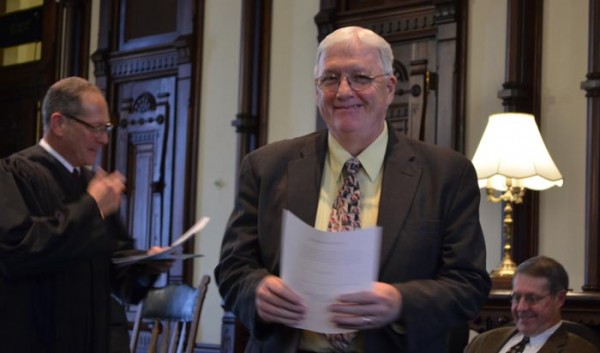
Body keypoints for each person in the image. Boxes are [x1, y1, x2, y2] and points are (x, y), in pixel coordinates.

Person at [214, 26, 491, 353]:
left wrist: (401, 302)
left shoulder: (446, 174)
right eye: (330, 79)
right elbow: (233, 269)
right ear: (317, 90)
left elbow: (469, 285)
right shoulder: (266, 167)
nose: (344, 91)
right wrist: (256, 291)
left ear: (389, 88)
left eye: (360, 77)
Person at [0, 76, 169, 353]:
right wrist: (92, 207)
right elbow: (19, 250)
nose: (103, 139)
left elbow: (116, 277)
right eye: (95, 128)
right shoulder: (15, 173)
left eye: (106, 129)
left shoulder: (92, 184)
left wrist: (145, 267)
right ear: (59, 123)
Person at [465, 256, 599, 353]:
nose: (521, 308)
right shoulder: (482, 342)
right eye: (516, 297)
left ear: (559, 299)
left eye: (532, 298)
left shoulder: (580, 350)